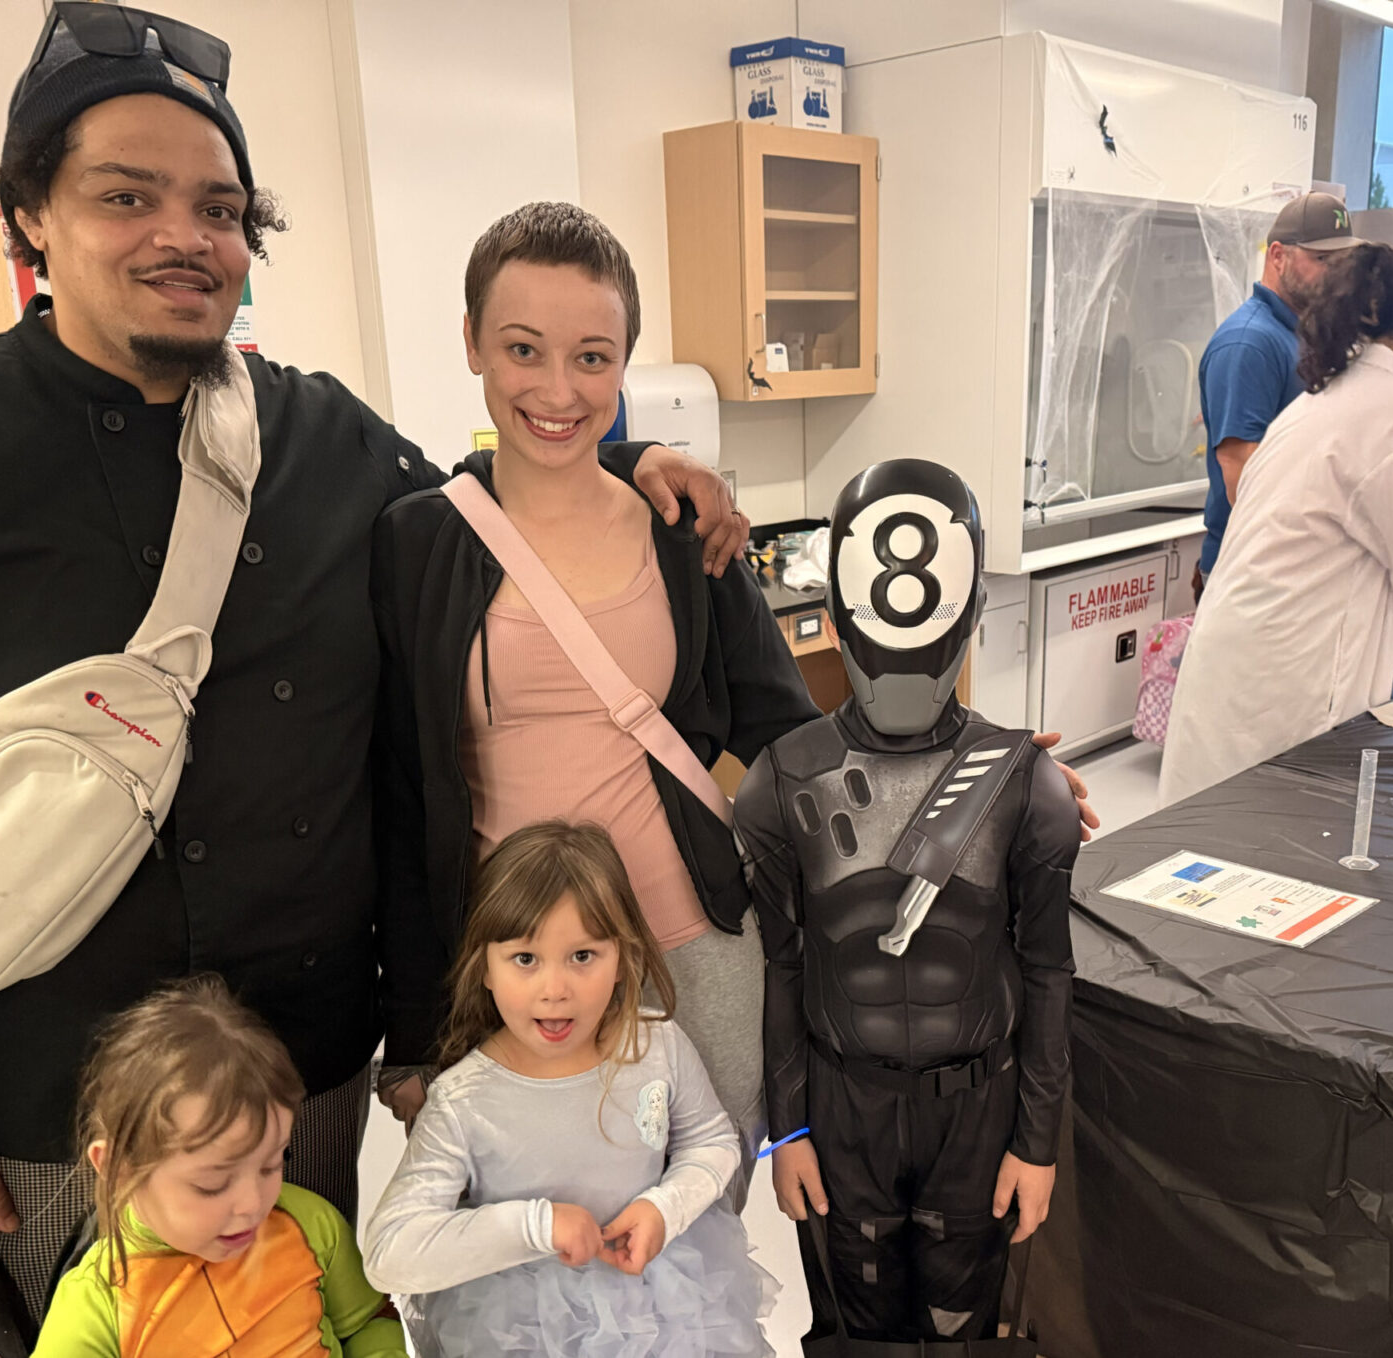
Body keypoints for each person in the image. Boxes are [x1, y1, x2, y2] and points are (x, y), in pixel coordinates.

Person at [0, 7, 740, 1343]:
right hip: (43, 1100)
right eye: (125, 196)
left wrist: (632, 472)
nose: (183, 235)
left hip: (293, 1078)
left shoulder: (323, 438)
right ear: (29, 215)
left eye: (219, 207)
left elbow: (492, 517)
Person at [369, 203, 818, 1202]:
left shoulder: (679, 524)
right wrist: (410, 1031)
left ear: (625, 362)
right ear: (473, 344)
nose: (558, 390)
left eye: (592, 356)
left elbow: (789, 730)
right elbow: (403, 796)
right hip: (515, 971)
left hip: (691, 947)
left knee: (691, 1243)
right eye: (523, 349)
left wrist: (961, 767)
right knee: (533, 1264)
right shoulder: (415, 543)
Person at [737, 459, 1082, 1345]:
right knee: (854, 1331)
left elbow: (1047, 972)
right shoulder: (778, 783)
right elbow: (778, 968)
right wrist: (788, 1135)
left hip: (979, 1108)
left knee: (961, 1329)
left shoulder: (1028, 786)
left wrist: (1036, 1143)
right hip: (840, 1104)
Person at [362, 820, 773, 1357]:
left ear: (623, 958)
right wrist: (536, 1225)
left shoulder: (654, 1045)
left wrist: (664, 1208)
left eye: (582, 956)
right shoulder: (463, 1100)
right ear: (483, 967)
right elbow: (389, 1251)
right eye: (525, 959)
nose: (555, 991)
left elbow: (713, 1142)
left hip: (663, 1314)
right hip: (518, 1334)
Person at [1158, 240, 1393, 807]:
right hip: (1290, 674)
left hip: (1250, 655)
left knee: (1214, 841)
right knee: (1269, 848)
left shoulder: (1329, 395)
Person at [35, 978, 402, 1356]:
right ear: (119, 1168)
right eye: (212, 1184)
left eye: (272, 1164)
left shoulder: (311, 1224)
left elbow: (369, 1322)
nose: (253, 1204)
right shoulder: (96, 1304)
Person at [1194, 191, 1361, 595]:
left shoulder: (1301, 335)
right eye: (1322, 260)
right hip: (1256, 574)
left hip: (1291, 570)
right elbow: (1240, 474)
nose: (1335, 274)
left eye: (1341, 263)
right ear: (1277, 256)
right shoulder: (1250, 343)